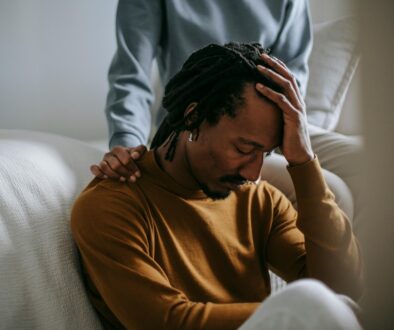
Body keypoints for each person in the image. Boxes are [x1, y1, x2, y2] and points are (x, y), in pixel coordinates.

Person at [72, 43, 363, 329]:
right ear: (193, 117)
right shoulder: (111, 206)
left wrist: (303, 160)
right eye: (244, 148)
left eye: (267, 153)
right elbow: (166, 322)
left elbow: (342, 288)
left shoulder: (261, 200)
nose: (254, 172)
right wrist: (298, 313)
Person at [91, 0, 361, 224]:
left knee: (365, 165)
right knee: (334, 192)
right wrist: (128, 144)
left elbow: (293, 75)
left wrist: (292, 145)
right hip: (202, 126)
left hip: (270, 127)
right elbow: (131, 74)